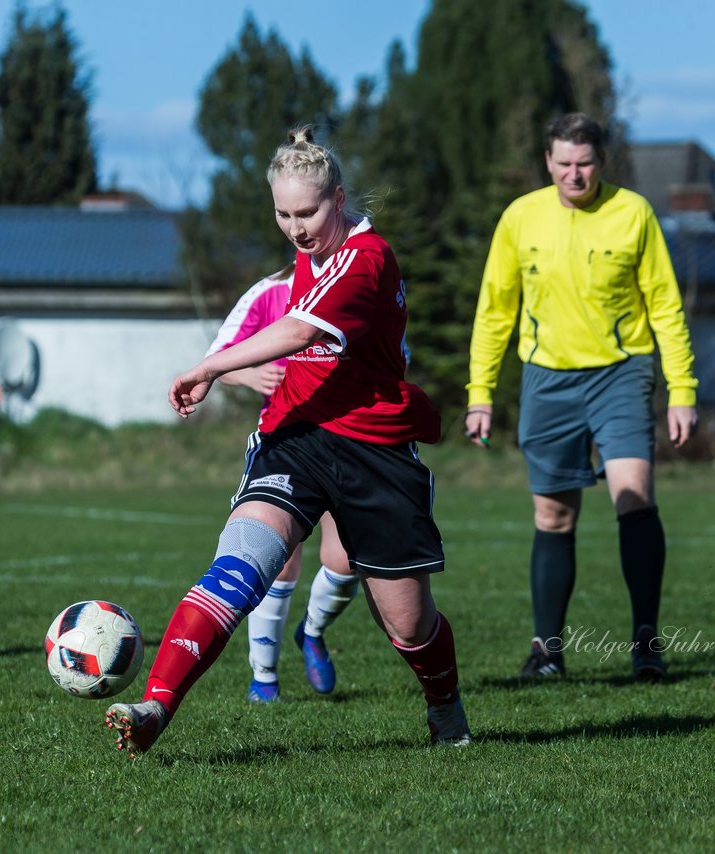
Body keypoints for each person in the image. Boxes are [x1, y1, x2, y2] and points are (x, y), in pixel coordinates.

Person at [106, 126, 469, 757]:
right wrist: (232, 366)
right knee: (238, 566)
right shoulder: (308, 253)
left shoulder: (368, 256)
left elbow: (301, 331)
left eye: (308, 212)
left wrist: (211, 367)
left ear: (339, 197)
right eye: (282, 214)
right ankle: (155, 707)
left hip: (375, 449)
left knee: (408, 625)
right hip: (295, 433)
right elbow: (281, 332)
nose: (296, 228)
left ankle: (446, 709)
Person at [464, 112, 698, 682]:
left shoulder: (633, 213)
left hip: (622, 372)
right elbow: (496, 309)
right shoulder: (521, 217)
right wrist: (481, 392)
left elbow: (665, 304)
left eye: (585, 163)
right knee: (553, 514)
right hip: (547, 379)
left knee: (633, 494)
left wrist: (682, 388)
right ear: (548, 162)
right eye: (564, 163)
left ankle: (647, 644)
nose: (575, 174)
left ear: (601, 162)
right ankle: (548, 652)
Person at [206, 266, 359, 703]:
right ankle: (265, 679)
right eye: (290, 216)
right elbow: (218, 356)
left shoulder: (358, 282)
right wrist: (249, 374)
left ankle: (311, 630)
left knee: (347, 560)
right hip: (286, 443)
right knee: (278, 560)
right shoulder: (268, 293)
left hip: (348, 441)